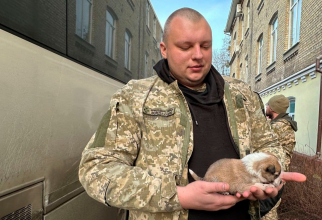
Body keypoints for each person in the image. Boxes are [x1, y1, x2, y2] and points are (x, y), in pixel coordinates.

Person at [78, 8, 305, 220]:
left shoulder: (242, 94)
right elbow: (97, 170)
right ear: (164, 49)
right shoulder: (134, 97)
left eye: (205, 46)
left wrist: (270, 179)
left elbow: (270, 145)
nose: (198, 55)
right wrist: (178, 196)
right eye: (185, 47)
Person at [260, 94, 298, 220]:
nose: (266, 108)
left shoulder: (277, 126)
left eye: (268, 105)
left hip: (273, 174)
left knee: (267, 212)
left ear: (273, 108)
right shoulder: (283, 123)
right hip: (278, 171)